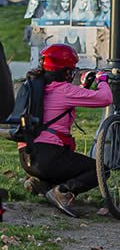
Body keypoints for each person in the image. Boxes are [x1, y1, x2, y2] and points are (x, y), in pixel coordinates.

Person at [18, 44, 112, 217]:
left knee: (67, 163)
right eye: (72, 70)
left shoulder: (37, 87)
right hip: (48, 157)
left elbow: (65, 102)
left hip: (27, 157)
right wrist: (102, 80)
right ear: (66, 72)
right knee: (101, 170)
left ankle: (41, 183)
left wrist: (84, 87)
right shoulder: (64, 90)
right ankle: (61, 192)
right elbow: (105, 98)